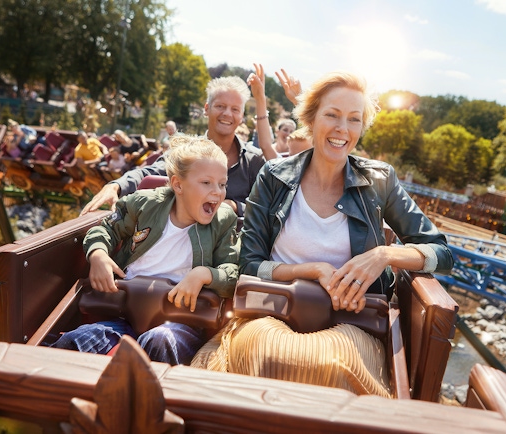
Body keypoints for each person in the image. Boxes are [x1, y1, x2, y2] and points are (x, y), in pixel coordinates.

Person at [192, 70, 453, 396]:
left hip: (351, 322)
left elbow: (441, 252)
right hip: (274, 310)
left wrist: (383, 255)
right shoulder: (273, 176)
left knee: (332, 365)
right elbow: (249, 264)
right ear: (311, 119)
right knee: (269, 353)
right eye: (332, 115)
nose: (343, 129)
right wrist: (312, 271)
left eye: (354, 119)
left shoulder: (380, 180)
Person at [51, 134, 239, 365]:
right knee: (76, 341)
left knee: (158, 341)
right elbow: (107, 230)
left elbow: (232, 271)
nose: (217, 192)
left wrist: (205, 274)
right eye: (206, 183)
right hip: (125, 312)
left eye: (222, 184)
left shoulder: (222, 221)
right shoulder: (145, 205)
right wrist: (98, 254)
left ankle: (150, 397)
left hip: (181, 319)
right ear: (178, 184)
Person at [80, 69, 266, 218]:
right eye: (220, 106)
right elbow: (150, 172)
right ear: (207, 109)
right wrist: (115, 186)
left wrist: (233, 206)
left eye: (235, 109)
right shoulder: (186, 151)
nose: (227, 114)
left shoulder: (253, 160)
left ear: (242, 116)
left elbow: (265, 205)